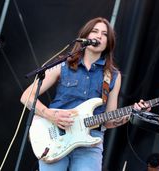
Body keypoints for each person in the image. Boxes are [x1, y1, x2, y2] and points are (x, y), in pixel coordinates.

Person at [20, 17, 140, 171]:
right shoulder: (62, 64)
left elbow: (109, 120)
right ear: (85, 36)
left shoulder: (113, 76)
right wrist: (50, 115)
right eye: (95, 31)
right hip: (55, 135)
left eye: (104, 34)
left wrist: (130, 114)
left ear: (108, 42)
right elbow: (26, 96)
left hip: (91, 143)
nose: (98, 36)